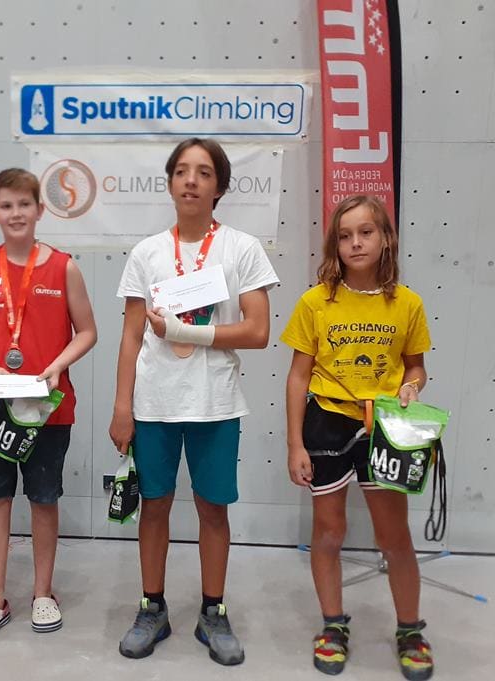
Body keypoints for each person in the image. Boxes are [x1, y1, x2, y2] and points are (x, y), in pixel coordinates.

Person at [110, 138, 278, 665]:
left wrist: (188, 332)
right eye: (181, 171)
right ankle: (151, 608)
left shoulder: (241, 248)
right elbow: (131, 335)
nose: (191, 180)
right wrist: (121, 407)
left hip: (215, 403)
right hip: (154, 403)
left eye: (203, 172)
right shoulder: (147, 253)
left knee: (213, 509)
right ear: (169, 183)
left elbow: (258, 331)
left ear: (219, 186)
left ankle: (213, 611)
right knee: (154, 506)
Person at [281, 194, 434, 680]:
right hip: (326, 423)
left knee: (394, 537)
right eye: (345, 236)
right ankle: (333, 625)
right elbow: (298, 376)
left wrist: (411, 388)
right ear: (335, 244)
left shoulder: (406, 303)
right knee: (329, 532)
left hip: (384, 427)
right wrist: (294, 443)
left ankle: (409, 629)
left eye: (366, 232)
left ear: (385, 237)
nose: (356, 243)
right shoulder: (316, 302)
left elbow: (416, 367)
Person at [0, 168, 97, 642]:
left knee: (43, 498)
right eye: (6, 205)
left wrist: (57, 365)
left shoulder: (64, 268)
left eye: (24, 204)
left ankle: (42, 594)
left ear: (40, 209)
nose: (16, 213)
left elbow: (87, 332)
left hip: (46, 408)